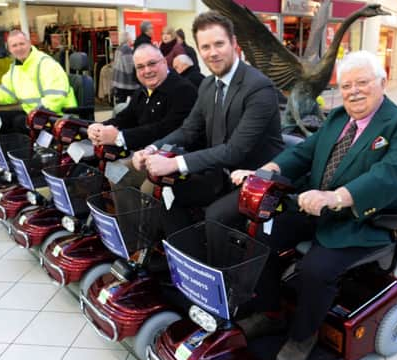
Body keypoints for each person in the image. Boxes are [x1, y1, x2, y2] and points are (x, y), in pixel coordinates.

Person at [230, 50, 397, 360]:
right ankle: (270, 313)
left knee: (315, 270)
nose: (353, 91)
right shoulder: (338, 117)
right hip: (317, 209)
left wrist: (335, 197)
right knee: (259, 235)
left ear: (382, 82)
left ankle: (303, 336)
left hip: (366, 221)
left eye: (362, 82)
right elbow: (304, 153)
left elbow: (389, 176)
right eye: (346, 85)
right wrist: (266, 171)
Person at [131, 11, 283, 235]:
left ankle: (214, 269)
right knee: (164, 192)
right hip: (220, 176)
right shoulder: (208, 85)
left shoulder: (259, 87)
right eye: (205, 47)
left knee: (215, 216)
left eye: (219, 44)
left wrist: (175, 163)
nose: (212, 53)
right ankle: (183, 259)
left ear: (233, 43)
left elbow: (234, 151)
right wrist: (152, 149)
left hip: (256, 182)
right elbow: (188, 130)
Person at [87, 44, 198, 188]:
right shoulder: (143, 91)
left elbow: (166, 129)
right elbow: (126, 118)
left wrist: (120, 137)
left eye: (152, 64)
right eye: (140, 67)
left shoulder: (184, 90)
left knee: (120, 176)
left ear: (164, 62)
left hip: (173, 161)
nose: (147, 71)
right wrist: (100, 127)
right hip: (143, 155)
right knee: (108, 169)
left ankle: (136, 211)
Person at [0, 30, 76, 135]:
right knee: (2, 118)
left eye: (22, 44)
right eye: (14, 46)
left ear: (29, 43)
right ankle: (10, 161)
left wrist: (35, 116)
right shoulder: (16, 68)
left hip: (58, 116)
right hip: (36, 115)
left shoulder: (46, 64)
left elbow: (55, 98)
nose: (19, 48)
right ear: (9, 49)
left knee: (18, 121)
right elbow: (4, 93)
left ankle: (25, 160)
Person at [111, 32, 140, 105]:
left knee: (120, 105)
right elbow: (129, 68)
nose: (132, 39)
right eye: (131, 37)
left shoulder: (119, 48)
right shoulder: (126, 49)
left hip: (118, 82)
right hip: (126, 83)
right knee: (136, 102)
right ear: (128, 39)